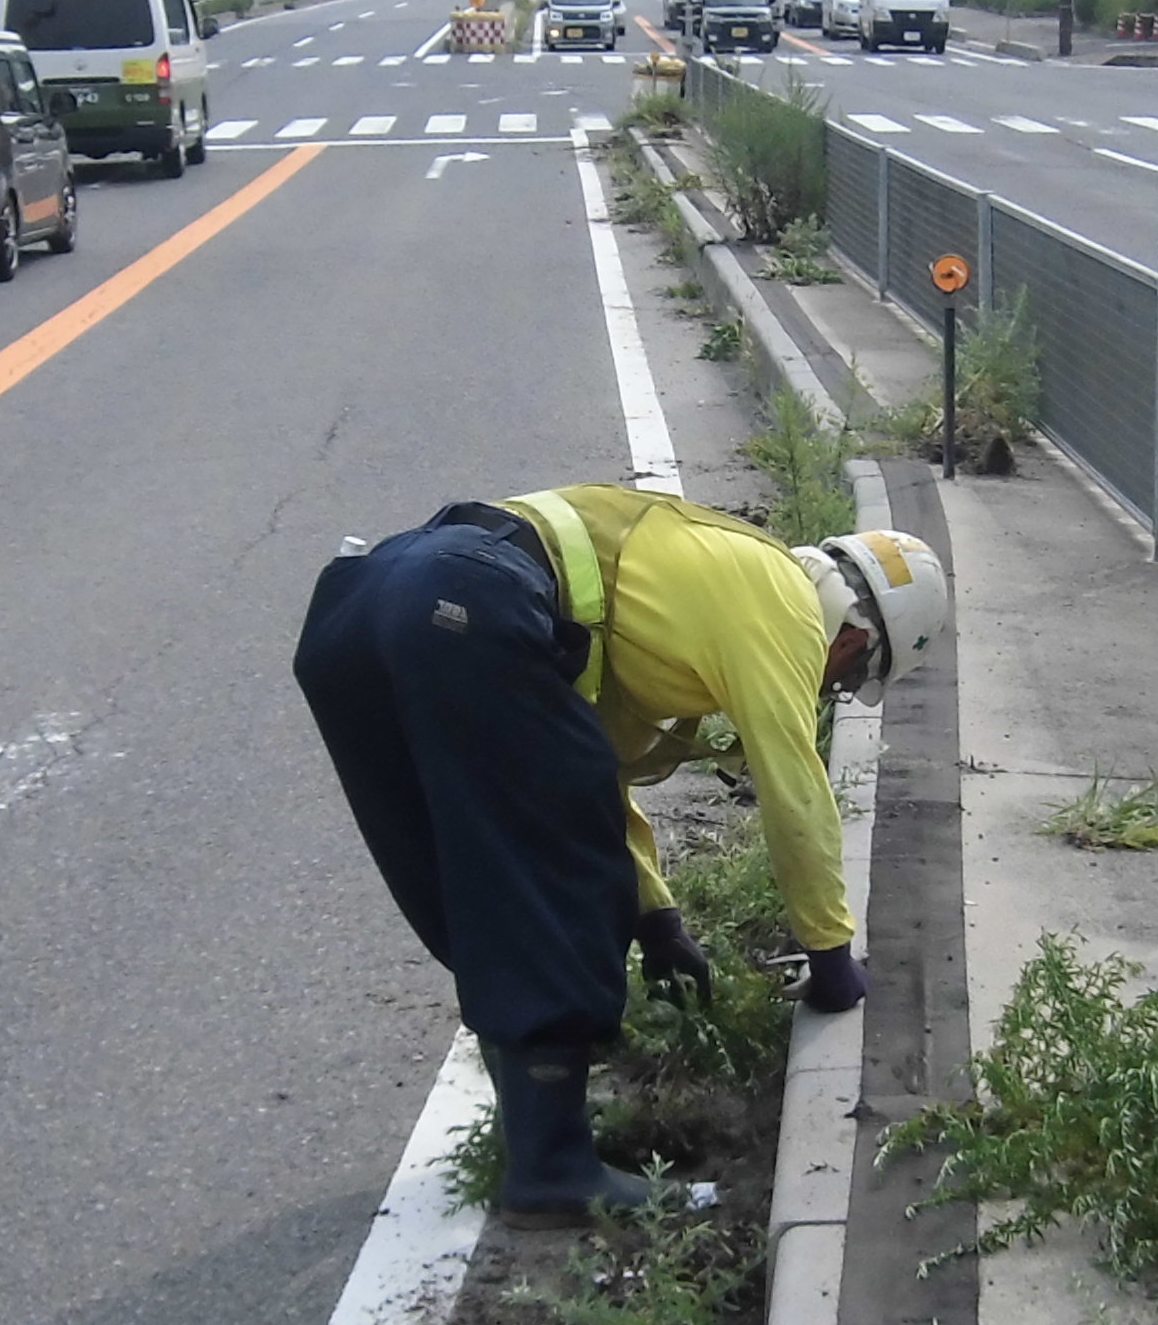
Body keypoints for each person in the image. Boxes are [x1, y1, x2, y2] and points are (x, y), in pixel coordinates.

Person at [293, 487, 946, 1219]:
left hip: (361, 608)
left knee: (480, 882)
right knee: (557, 876)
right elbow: (795, 790)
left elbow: (592, 773)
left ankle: (536, 1134)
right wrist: (831, 956)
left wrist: (657, 922)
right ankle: (552, 1171)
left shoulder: (685, 596)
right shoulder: (787, 608)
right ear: (854, 641)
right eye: (848, 680)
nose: (833, 689)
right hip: (467, 604)